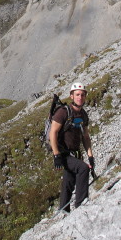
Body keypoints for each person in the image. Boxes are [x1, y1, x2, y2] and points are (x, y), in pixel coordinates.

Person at [49, 82, 95, 211]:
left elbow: (85, 137)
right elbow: (53, 132)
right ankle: (81, 205)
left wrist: (90, 156)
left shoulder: (83, 115)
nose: (80, 97)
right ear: (71, 96)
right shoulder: (63, 112)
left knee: (68, 182)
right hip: (62, 153)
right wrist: (56, 155)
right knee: (83, 169)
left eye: (82, 95)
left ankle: (64, 210)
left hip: (74, 153)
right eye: (77, 95)